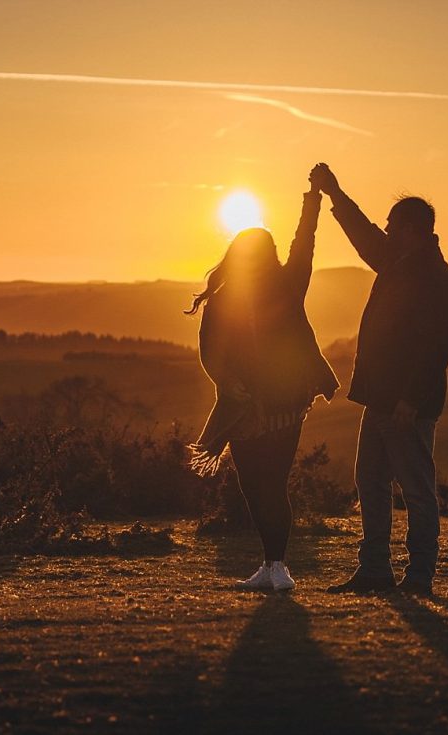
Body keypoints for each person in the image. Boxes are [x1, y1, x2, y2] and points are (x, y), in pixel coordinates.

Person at [309, 163, 448, 596]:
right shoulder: (400, 261)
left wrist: (411, 401)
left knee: (415, 490)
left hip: (406, 405)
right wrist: (335, 193)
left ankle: (419, 577)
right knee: (370, 483)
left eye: (394, 224)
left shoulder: (435, 277)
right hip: (379, 398)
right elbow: (364, 234)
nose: (387, 229)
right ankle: (375, 570)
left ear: (412, 229)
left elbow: (436, 348)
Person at [186, 175, 338, 592]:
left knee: (269, 482)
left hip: (283, 400)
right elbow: (209, 349)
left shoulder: (287, 286)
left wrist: (312, 200)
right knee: (255, 486)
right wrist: (226, 380)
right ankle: (272, 565)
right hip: (245, 403)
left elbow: (303, 244)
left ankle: (277, 566)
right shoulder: (225, 297)